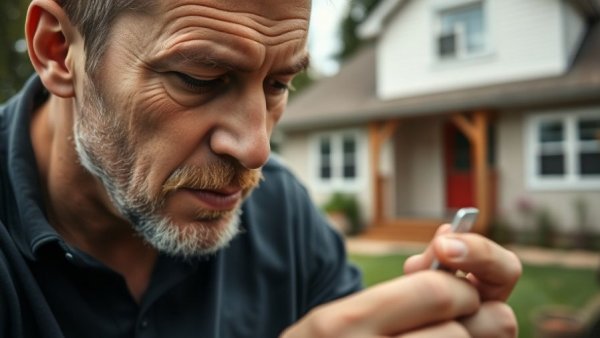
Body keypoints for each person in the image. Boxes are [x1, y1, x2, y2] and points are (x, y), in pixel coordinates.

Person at [0, 0, 522, 337]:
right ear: (58, 50)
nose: (256, 149)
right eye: (199, 78)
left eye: (278, 84)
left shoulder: (284, 214)